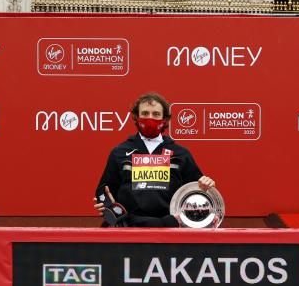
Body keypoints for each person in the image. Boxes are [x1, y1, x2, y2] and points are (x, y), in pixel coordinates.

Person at [92, 92, 215, 227]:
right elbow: (105, 193)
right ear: (136, 117)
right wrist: (105, 206)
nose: (150, 118)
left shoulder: (181, 154)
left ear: (165, 119)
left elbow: (196, 192)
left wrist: (205, 186)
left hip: (169, 228)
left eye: (156, 114)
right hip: (128, 228)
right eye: (145, 113)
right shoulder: (119, 152)